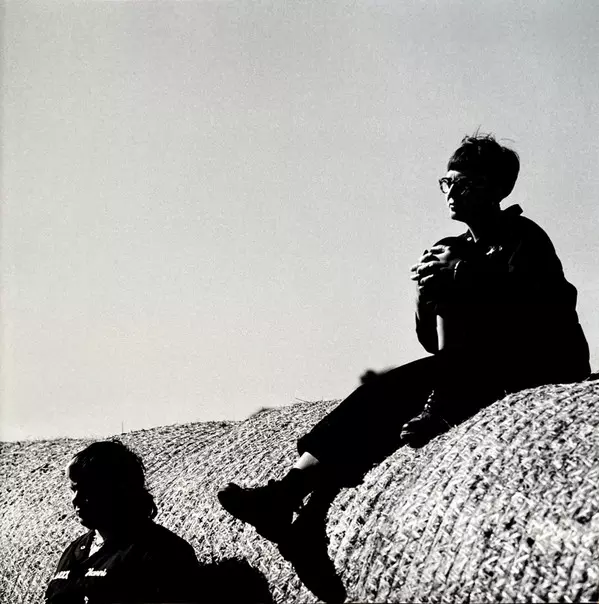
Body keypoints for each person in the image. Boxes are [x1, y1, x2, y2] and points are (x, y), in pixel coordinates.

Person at [217, 133, 590, 600]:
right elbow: (432, 342)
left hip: (540, 365)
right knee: (383, 398)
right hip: (471, 367)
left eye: (465, 183)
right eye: (447, 183)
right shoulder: (452, 246)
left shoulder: (524, 237)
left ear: (497, 189)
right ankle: (299, 507)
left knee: (395, 395)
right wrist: (425, 295)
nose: (452, 192)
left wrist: (461, 274)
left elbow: (545, 310)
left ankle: (295, 504)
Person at [45, 440, 202, 604]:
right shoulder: (73, 551)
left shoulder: (163, 551)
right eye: (73, 490)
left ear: (119, 489)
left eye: (87, 490)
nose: (75, 499)